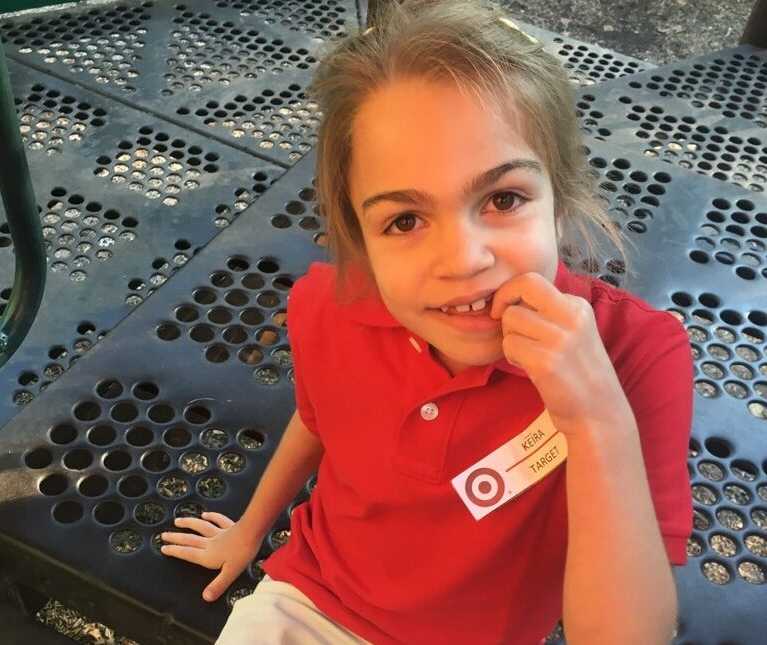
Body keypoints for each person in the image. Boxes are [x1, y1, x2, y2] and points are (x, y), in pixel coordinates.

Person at [159, 1, 694, 643]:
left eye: (503, 199)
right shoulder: (331, 307)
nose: (464, 261)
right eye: (405, 221)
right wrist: (249, 531)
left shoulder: (636, 355)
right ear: (360, 238)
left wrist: (597, 419)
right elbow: (319, 418)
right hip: (310, 603)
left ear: (560, 199)